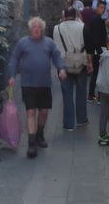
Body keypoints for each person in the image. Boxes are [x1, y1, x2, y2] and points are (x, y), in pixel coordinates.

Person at [7, 17, 66, 158]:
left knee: (44, 112)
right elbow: (14, 58)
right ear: (30, 28)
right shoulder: (23, 43)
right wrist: (12, 75)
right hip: (28, 84)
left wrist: (62, 68)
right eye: (34, 27)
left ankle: (40, 134)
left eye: (39, 27)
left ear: (42, 29)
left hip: (44, 83)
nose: (37, 29)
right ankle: (31, 142)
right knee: (30, 112)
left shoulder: (49, 43)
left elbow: (57, 56)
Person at [53, 8, 91, 130]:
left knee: (67, 94)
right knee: (81, 91)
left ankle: (68, 124)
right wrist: (90, 62)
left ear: (64, 15)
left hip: (63, 64)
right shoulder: (83, 27)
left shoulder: (56, 28)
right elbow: (89, 46)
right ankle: (81, 119)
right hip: (81, 62)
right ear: (75, 15)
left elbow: (55, 47)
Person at [83, 0, 108, 101]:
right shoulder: (96, 19)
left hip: (98, 50)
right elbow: (96, 37)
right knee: (98, 73)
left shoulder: (97, 19)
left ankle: (93, 94)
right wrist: (101, 51)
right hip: (98, 50)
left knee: (97, 73)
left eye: (104, 8)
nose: (102, 10)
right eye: (101, 7)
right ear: (96, 7)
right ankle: (95, 95)